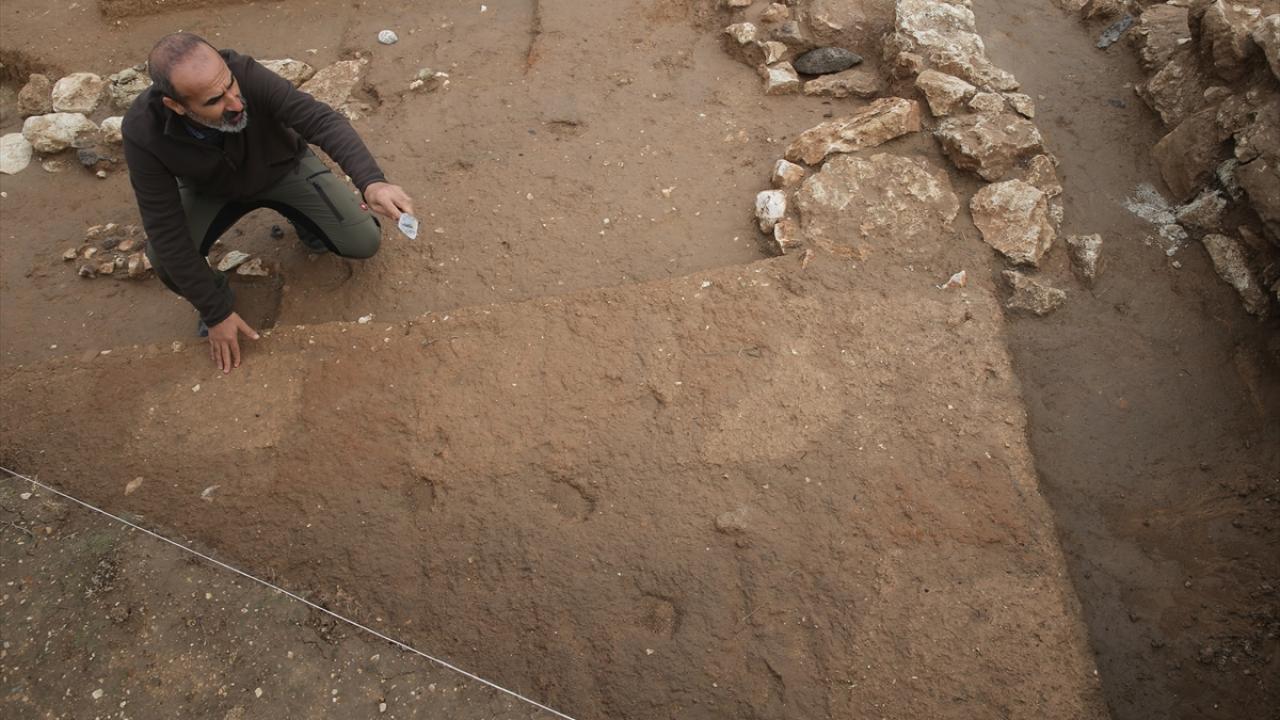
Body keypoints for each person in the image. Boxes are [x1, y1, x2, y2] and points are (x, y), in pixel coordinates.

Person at [123, 32, 413, 373]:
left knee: (363, 241)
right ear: (177, 106)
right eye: (215, 100)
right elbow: (165, 229)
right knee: (164, 258)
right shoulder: (143, 131)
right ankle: (218, 296)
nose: (235, 102)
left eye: (231, 85)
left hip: (281, 168)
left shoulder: (246, 73)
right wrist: (214, 311)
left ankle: (308, 222)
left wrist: (372, 182)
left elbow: (321, 120)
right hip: (210, 191)